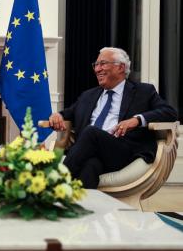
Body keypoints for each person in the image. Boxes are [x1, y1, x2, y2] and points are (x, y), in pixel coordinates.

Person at [47, 47, 177, 188]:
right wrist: (57, 115)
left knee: (91, 132)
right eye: (96, 65)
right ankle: (83, 208)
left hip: (122, 150)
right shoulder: (88, 95)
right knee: (90, 166)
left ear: (120, 67)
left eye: (103, 64)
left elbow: (169, 112)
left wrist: (137, 120)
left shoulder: (143, 91)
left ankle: (53, 183)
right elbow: (68, 113)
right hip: (91, 152)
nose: (97, 69)